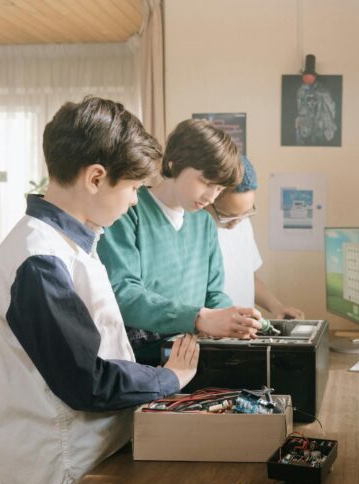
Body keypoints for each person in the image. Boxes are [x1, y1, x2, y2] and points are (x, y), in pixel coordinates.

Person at [0, 97, 201, 484]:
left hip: (91, 450)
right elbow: (87, 381)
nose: (136, 200)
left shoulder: (74, 242)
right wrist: (168, 379)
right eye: (134, 188)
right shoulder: (37, 260)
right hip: (64, 468)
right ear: (96, 178)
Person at [97, 119, 263, 365]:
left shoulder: (204, 224)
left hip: (190, 358)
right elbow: (124, 293)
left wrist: (235, 321)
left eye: (218, 189)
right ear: (174, 163)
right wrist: (198, 318)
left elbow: (214, 295)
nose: (211, 196)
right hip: (138, 360)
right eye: (206, 182)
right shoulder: (128, 212)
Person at [204, 155, 305, 320]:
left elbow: (247, 276)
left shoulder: (242, 222)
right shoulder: (196, 231)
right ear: (209, 200)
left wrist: (277, 307)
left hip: (242, 332)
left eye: (245, 213)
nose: (236, 223)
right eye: (228, 216)